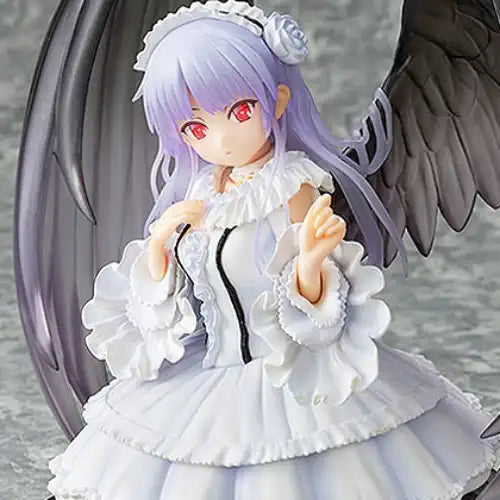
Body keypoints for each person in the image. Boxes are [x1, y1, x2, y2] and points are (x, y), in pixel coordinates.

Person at [30, 1, 499, 498]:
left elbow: (324, 323)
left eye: (239, 111)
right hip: (206, 382)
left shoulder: (294, 187)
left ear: (276, 101)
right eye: (196, 127)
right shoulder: (202, 193)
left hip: (291, 381)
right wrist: (160, 253)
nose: (222, 138)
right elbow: (168, 323)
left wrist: (312, 262)